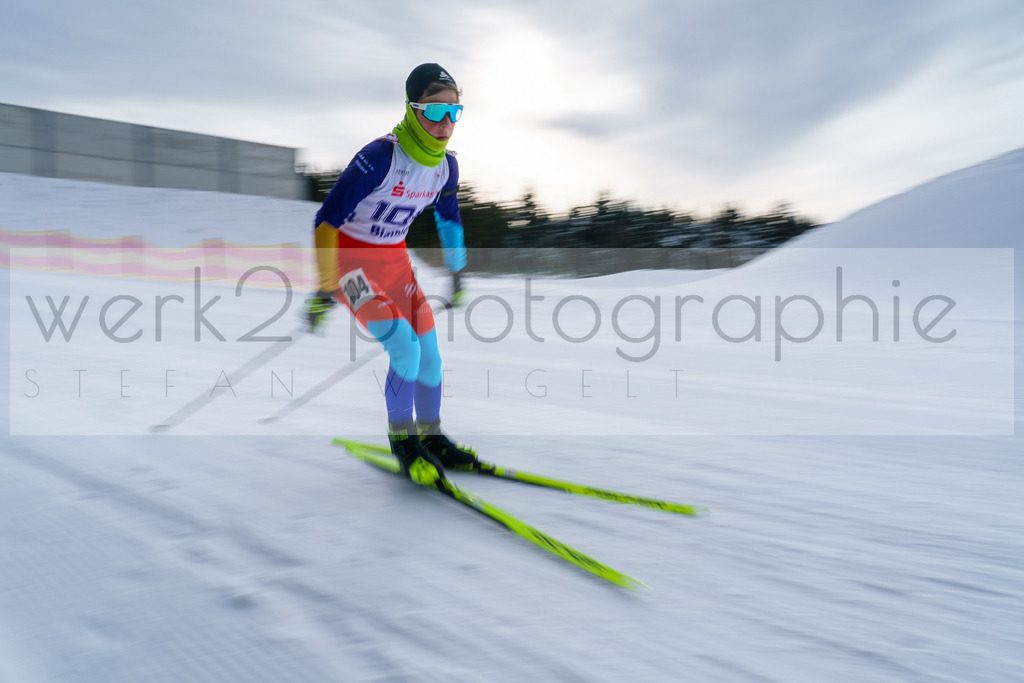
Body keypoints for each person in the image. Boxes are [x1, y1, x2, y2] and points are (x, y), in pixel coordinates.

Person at [304, 63, 478, 487]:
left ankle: (431, 437)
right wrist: (325, 287)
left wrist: (457, 274)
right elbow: (326, 221)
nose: (446, 123)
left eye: (454, 112)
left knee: (429, 351)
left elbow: (449, 220)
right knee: (404, 346)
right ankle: (404, 442)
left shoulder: (446, 168)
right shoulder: (381, 157)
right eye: (435, 111)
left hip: (395, 264)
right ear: (411, 108)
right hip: (349, 268)